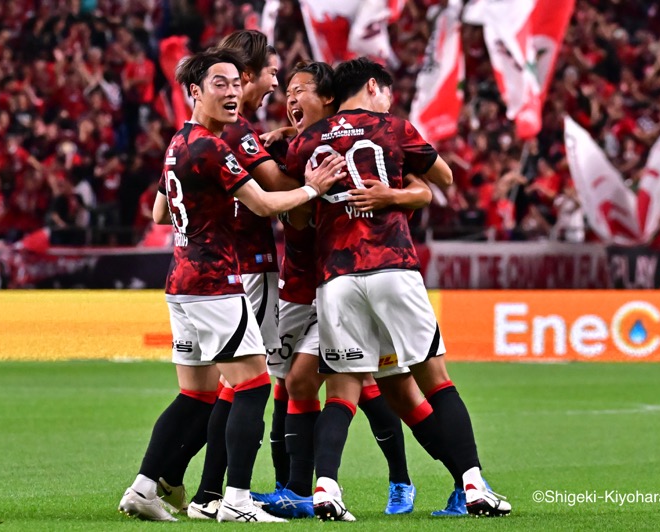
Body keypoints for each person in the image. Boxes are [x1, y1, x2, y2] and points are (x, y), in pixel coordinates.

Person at [117, 47, 345, 523]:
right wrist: (314, 187)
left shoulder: (179, 142)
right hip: (215, 281)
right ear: (195, 92)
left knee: (196, 394)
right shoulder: (212, 147)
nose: (232, 93)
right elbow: (264, 204)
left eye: (235, 84)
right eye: (220, 84)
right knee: (255, 383)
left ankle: (144, 488)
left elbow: (160, 212)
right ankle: (235, 501)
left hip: (180, 280)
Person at [285, 57, 512, 520]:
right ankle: (473, 485)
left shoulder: (307, 141)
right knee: (436, 380)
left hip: (336, 278)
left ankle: (326, 488)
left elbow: (299, 213)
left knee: (343, 390)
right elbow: (444, 179)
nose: (389, 101)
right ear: (373, 87)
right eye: (386, 92)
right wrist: (399, 190)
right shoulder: (393, 128)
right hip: (392, 267)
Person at [252, 60, 433, 519]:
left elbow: (424, 185)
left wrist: (394, 195)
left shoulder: (356, 142)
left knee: (342, 381)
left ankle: (394, 479)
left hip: (344, 279)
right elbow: (292, 217)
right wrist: (289, 161)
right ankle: (295, 488)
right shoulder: (299, 148)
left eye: (301, 91)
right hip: (299, 283)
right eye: (286, 93)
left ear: (328, 98)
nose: (290, 100)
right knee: (305, 383)